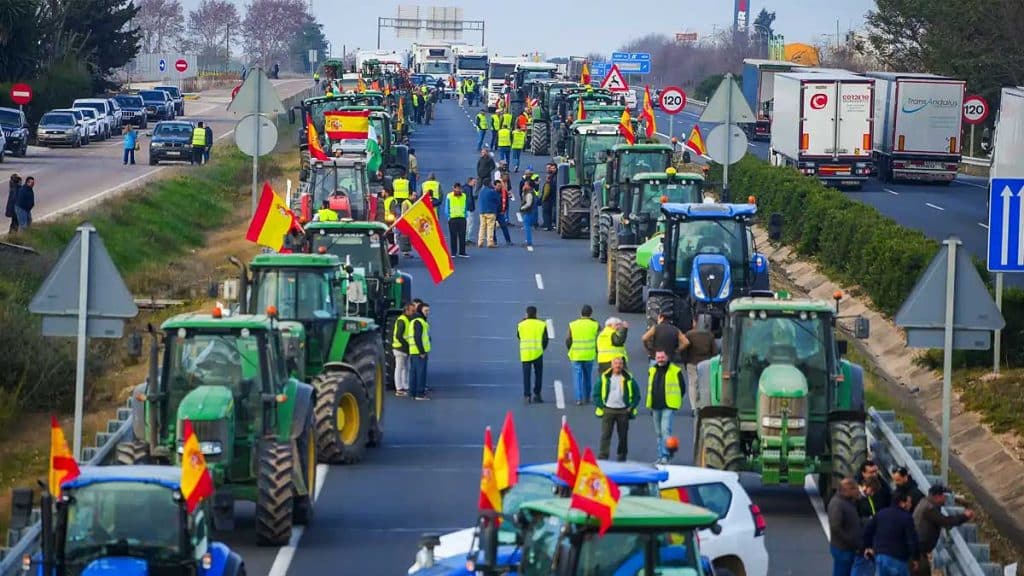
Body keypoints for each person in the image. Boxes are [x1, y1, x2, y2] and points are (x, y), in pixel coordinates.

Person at [913, 484, 973, 576]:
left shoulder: (924, 502)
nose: (946, 499)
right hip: (918, 553)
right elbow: (945, 522)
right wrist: (965, 516)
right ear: (938, 496)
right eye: (944, 496)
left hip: (917, 550)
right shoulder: (929, 509)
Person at [864, 488, 920, 576]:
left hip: (880, 556)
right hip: (898, 559)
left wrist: (867, 546)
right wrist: (915, 558)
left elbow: (868, 531)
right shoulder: (907, 518)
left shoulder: (880, 514)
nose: (911, 504)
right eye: (909, 502)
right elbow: (912, 540)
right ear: (902, 503)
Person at [594, 356, 640, 462]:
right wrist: (602, 406)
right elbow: (596, 394)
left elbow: (637, 395)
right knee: (605, 435)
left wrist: (631, 407)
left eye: (620, 363)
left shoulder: (629, 379)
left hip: (623, 411)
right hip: (608, 410)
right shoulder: (604, 378)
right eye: (616, 363)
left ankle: (622, 456)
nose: (618, 366)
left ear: (623, 365)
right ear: (611, 365)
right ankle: (603, 456)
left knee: (623, 435)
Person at [646, 350, 684, 464]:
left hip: (669, 405)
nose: (660, 359)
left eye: (662, 357)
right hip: (655, 405)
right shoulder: (652, 370)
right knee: (658, 433)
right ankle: (661, 455)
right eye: (658, 357)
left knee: (665, 430)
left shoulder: (675, 370)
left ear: (667, 357)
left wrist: (676, 399)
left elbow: (682, 387)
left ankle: (666, 455)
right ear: (655, 358)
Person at [565, 305, 600, 406]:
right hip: (589, 354)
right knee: (587, 377)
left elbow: (568, 339)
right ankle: (587, 397)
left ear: (581, 313)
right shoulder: (595, 324)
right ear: (591, 313)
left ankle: (578, 398)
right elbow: (600, 336)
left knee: (577, 377)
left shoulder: (573, 324)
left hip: (576, 354)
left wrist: (570, 349)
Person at [828, 478, 864, 576]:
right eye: (855, 489)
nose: (857, 491)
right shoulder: (837, 504)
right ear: (848, 490)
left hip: (847, 547)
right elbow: (835, 527)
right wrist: (850, 540)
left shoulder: (848, 502)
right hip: (843, 548)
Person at [682, 316, 717, 409]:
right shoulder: (709, 335)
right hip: (706, 363)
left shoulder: (689, 334)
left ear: (695, 322)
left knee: (693, 384)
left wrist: (685, 361)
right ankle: (703, 406)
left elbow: (684, 349)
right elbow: (715, 352)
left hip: (692, 362)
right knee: (705, 385)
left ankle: (694, 407)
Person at [517, 306, 549, 403]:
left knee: (526, 375)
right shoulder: (542, 324)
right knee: (538, 375)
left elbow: (519, 336)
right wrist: (542, 348)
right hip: (538, 352)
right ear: (536, 314)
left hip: (525, 353)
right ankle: (537, 394)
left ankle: (527, 395)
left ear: (526, 314)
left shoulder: (521, 324)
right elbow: (545, 339)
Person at [407, 302, 431, 400]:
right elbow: (418, 337)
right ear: (420, 310)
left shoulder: (414, 320)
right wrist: (422, 351)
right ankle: (420, 394)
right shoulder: (419, 321)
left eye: (428, 311)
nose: (427, 313)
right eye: (426, 310)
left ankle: (412, 392)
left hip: (413, 351)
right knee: (421, 373)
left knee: (414, 373)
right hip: (419, 352)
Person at [392, 303, 416, 397]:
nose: (414, 312)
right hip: (400, 348)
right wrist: (406, 346)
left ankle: (405, 386)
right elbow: (399, 336)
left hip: (404, 348)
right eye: (412, 311)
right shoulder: (402, 320)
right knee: (399, 368)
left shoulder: (407, 320)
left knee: (405, 368)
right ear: (407, 311)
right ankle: (399, 388)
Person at [444, 183, 469, 258]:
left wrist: (465, 215)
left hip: (462, 218)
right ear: (454, 188)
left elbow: (466, 206)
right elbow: (447, 207)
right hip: (453, 218)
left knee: (462, 235)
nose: (458, 190)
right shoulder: (449, 196)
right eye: (457, 188)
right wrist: (448, 217)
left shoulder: (464, 196)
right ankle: (453, 252)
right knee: (453, 236)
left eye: (459, 189)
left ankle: (462, 252)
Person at [477, 179, 499, 248]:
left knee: (482, 227)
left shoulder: (481, 191)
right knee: (490, 227)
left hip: (482, 211)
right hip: (490, 211)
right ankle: (490, 242)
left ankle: (480, 241)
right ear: (489, 183)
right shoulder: (492, 192)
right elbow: (498, 200)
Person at [494, 178, 513, 246]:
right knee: (493, 228)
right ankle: (494, 241)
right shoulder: (492, 192)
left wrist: (504, 211)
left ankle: (508, 240)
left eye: (500, 186)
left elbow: (506, 203)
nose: (499, 187)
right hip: (493, 213)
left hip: (500, 213)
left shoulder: (504, 192)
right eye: (498, 186)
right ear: (494, 186)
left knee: (504, 227)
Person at [519, 179, 537, 248]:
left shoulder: (529, 193)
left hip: (528, 212)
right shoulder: (528, 192)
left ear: (529, 186)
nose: (524, 186)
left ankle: (528, 242)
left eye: (526, 184)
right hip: (529, 212)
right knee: (527, 227)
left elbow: (528, 204)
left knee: (527, 228)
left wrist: (522, 208)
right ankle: (528, 241)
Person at [541, 162, 556, 230]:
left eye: (550, 168)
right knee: (549, 212)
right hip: (550, 198)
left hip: (548, 199)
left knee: (546, 212)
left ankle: (547, 225)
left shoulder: (550, 181)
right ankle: (548, 225)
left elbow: (546, 192)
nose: (548, 169)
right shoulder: (552, 177)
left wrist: (543, 199)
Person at [465, 176, 478, 242]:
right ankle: (467, 239)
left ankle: (466, 238)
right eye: (474, 182)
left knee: (468, 223)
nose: (475, 184)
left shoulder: (466, 188)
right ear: (470, 181)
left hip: (466, 209)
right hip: (469, 209)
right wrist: (471, 208)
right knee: (469, 224)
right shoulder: (468, 189)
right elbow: (469, 199)